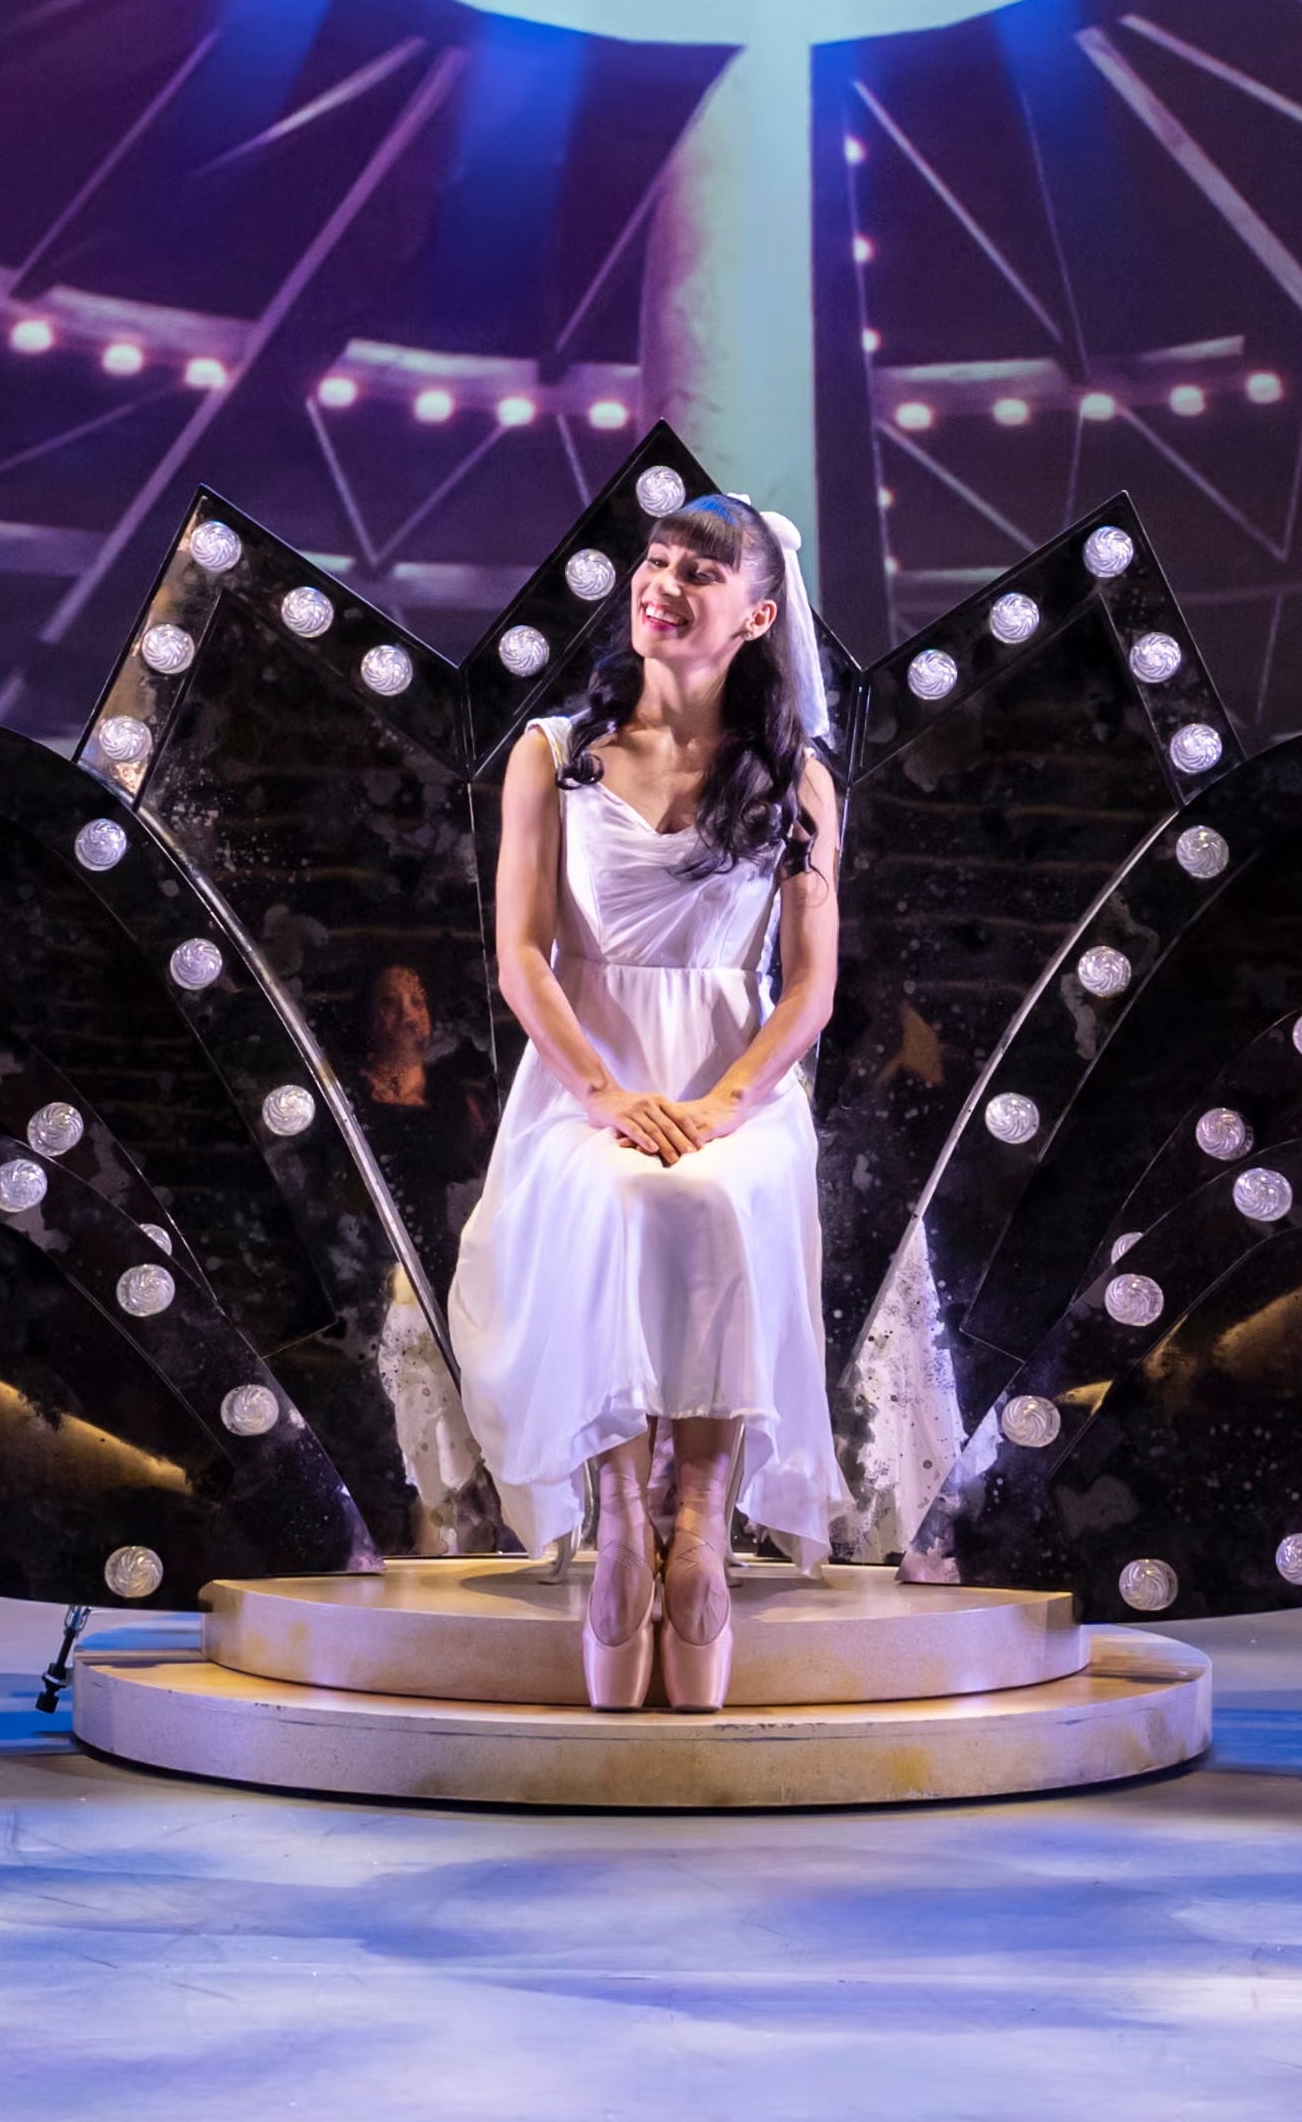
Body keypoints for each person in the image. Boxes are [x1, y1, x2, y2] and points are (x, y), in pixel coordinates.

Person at [450, 493, 848, 1710]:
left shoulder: (798, 778)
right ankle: (624, 1518)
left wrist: (726, 1105)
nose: (662, 581)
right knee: (624, 1198)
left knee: (716, 1205)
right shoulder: (551, 753)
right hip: (586, 1075)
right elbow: (521, 957)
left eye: (698, 572)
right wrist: (607, 1092)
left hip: (734, 1083)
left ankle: (702, 1509)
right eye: (656, 559)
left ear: (757, 616)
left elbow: (812, 987)